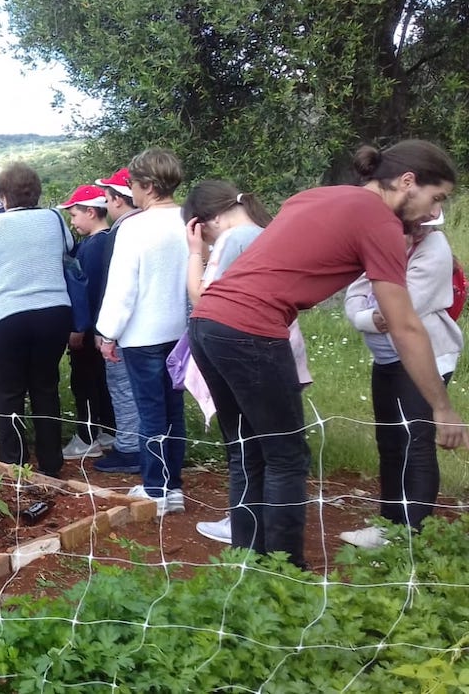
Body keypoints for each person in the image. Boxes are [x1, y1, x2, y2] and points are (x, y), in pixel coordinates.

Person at [188, 140, 468, 569]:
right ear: (408, 182)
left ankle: (246, 566)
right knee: (285, 457)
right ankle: (286, 578)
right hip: (252, 329)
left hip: (208, 320)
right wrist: (442, 407)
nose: (433, 212)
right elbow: (405, 324)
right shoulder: (380, 222)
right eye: (436, 198)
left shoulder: (316, 195)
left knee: (247, 449)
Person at [176, 181, 309, 544]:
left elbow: (202, 296)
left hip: (246, 345)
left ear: (206, 221)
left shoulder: (236, 238)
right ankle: (266, 545)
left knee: (259, 450)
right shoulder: (260, 234)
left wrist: (193, 253)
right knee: (265, 448)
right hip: (264, 343)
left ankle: (260, 545)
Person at [339, 210, 462, 548]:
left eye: (419, 227)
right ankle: (389, 525)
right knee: (390, 441)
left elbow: (402, 310)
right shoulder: (385, 246)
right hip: (388, 356)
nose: (414, 233)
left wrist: (375, 314)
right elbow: (355, 297)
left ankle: (411, 536)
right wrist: (369, 317)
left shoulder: (434, 251)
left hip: (426, 356)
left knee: (414, 442)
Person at [97, 149, 189, 515]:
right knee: (174, 410)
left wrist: (107, 333)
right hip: (179, 330)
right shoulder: (188, 218)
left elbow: (123, 288)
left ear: (148, 186)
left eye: (132, 184)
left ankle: (156, 489)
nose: (129, 191)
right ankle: (174, 486)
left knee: (151, 413)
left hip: (142, 335)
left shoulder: (134, 227)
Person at [0, 163, 73, 475]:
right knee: (45, 386)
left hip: (8, 316)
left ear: (3, 195)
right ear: (37, 191)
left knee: (9, 391)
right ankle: (52, 462)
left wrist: (4, 289)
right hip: (54, 312)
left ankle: (14, 463)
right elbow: (68, 249)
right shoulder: (54, 217)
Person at [57, 185, 117, 463]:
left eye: (74, 214)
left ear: (91, 212)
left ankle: (86, 435)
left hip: (89, 328)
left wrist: (79, 327)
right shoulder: (108, 240)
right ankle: (107, 429)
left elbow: (87, 293)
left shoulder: (93, 248)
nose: (72, 221)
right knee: (100, 382)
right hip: (101, 327)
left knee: (85, 382)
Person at [90, 167, 143, 472]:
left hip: (128, 329)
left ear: (118, 200)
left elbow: (117, 285)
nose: (107, 206)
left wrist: (105, 330)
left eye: (108, 199)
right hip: (162, 328)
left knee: (123, 387)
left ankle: (129, 448)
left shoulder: (124, 231)